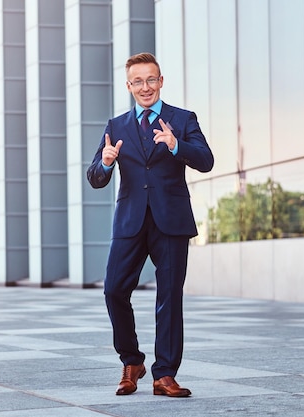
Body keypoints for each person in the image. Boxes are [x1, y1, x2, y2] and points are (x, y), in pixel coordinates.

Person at [86, 52, 214, 397]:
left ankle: (165, 374)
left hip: (170, 219)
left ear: (161, 81)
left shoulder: (183, 119)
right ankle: (132, 360)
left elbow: (206, 161)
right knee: (114, 290)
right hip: (130, 220)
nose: (146, 87)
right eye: (138, 81)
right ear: (129, 86)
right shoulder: (116, 126)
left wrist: (176, 145)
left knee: (170, 296)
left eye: (151, 79)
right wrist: (107, 162)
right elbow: (95, 177)